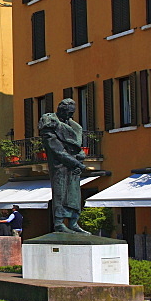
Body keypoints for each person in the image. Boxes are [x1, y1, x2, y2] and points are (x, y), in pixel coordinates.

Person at [40, 98, 91, 234]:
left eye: (71, 114)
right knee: (60, 192)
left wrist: (80, 154)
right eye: (68, 113)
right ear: (60, 110)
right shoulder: (50, 124)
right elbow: (56, 150)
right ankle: (59, 222)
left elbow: (77, 146)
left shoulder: (74, 126)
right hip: (60, 165)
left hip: (73, 166)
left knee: (74, 194)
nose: (70, 116)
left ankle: (74, 222)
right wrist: (76, 163)